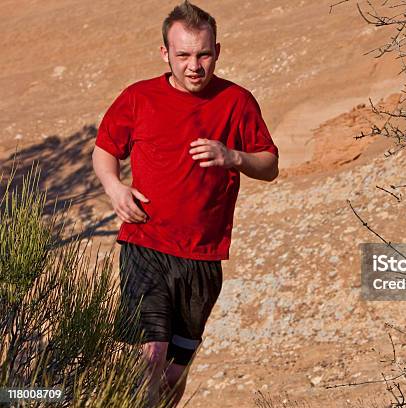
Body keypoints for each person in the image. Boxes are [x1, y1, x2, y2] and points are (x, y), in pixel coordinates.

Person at [91, 1, 278, 406]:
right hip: (145, 244)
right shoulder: (138, 98)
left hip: (202, 257)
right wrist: (115, 188)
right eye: (183, 55)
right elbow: (104, 151)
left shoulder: (237, 101)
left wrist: (234, 157)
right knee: (149, 355)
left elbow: (269, 164)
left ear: (217, 52)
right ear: (165, 54)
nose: (194, 65)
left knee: (175, 371)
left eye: (203, 54)